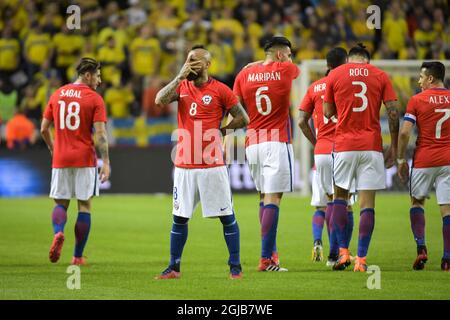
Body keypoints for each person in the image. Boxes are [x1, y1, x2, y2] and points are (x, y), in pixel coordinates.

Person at [154, 45, 249, 280]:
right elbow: (159, 100)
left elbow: (243, 117)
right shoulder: (181, 87)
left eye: (195, 60)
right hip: (185, 165)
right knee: (179, 217)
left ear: (207, 64)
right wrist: (179, 76)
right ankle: (174, 267)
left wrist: (222, 129)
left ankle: (235, 267)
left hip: (212, 166)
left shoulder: (221, 90)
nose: (190, 64)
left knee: (226, 216)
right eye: (188, 60)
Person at [323, 43, 400, 272]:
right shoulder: (379, 75)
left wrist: (344, 110)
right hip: (371, 146)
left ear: (349, 59)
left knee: (339, 198)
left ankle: (343, 253)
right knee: (367, 204)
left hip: (344, 145)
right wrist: (394, 147)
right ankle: (362, 260)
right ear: (367, 59)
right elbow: (394, 112)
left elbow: (327, 112)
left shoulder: (336, 74)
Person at [233, 36, 299, 272]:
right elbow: (292, 70)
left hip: (252, 143)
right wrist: (267, 64)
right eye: (289, 54)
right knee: (274, 199)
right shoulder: (287, 69)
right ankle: (266, 260)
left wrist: (255, 65)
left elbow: (236, 109)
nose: (291, 59)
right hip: (276, 141)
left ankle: (271, 254)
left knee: (263, 197)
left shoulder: (243, 74)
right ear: (281, 55)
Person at [41, 57, 110, 266]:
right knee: (84, 206)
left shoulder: (58, 93)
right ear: (87, 75)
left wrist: (53, 147)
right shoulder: (95, 99)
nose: (99, 80)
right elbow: (101, 134)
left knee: (61, 203)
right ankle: (77, 257)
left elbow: (43, 128)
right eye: (97, 75)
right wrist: (105, 161)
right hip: (85, 158)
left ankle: (58, 232)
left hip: (61, 158)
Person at [298, 47, 355, 266]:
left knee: (328, 202)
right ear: (346, 62)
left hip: (322, 151)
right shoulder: (349, 85)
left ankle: (330, 252)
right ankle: (339, 253)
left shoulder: (314, 87)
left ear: (327, 65)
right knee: (345, 204)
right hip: (345, 148)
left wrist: (316, 141)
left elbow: (302, 120)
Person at [397, 61, 450, 271]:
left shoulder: (417, 100)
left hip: (424, 159)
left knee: (417, 203)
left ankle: (421, 248)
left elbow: (404, 133)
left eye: (421, 77)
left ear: (430, 78)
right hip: (448, 159)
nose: (418, 81)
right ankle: (447, 259)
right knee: (446, 210)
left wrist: (401, 159)